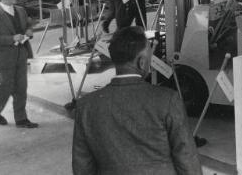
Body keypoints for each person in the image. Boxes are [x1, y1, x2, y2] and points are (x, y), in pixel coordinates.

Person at [72, 27, 202, 175]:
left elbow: (82, 166)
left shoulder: (86, 106)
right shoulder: (168, 100)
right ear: (141, 63)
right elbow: (187, 160)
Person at [0, 0, 38, 128]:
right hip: (4, 58)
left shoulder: (20, 10)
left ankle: (21, 119)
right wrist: (11, 39)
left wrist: (29, 32)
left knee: (21, 87)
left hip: (21, 54)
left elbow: (27, 26)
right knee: (5, 87)